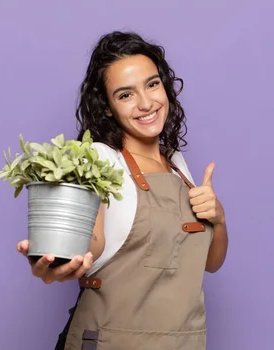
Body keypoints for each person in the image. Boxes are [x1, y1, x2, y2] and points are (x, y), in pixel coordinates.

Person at [16, 31, 229, 350]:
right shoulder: (100, 160)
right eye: (125, 94)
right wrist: (58, 261)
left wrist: (220, 218)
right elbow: (92, 243)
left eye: (152, 84)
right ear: (106, 108)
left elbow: (209, 264)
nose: (146, 103)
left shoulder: (177, 165)